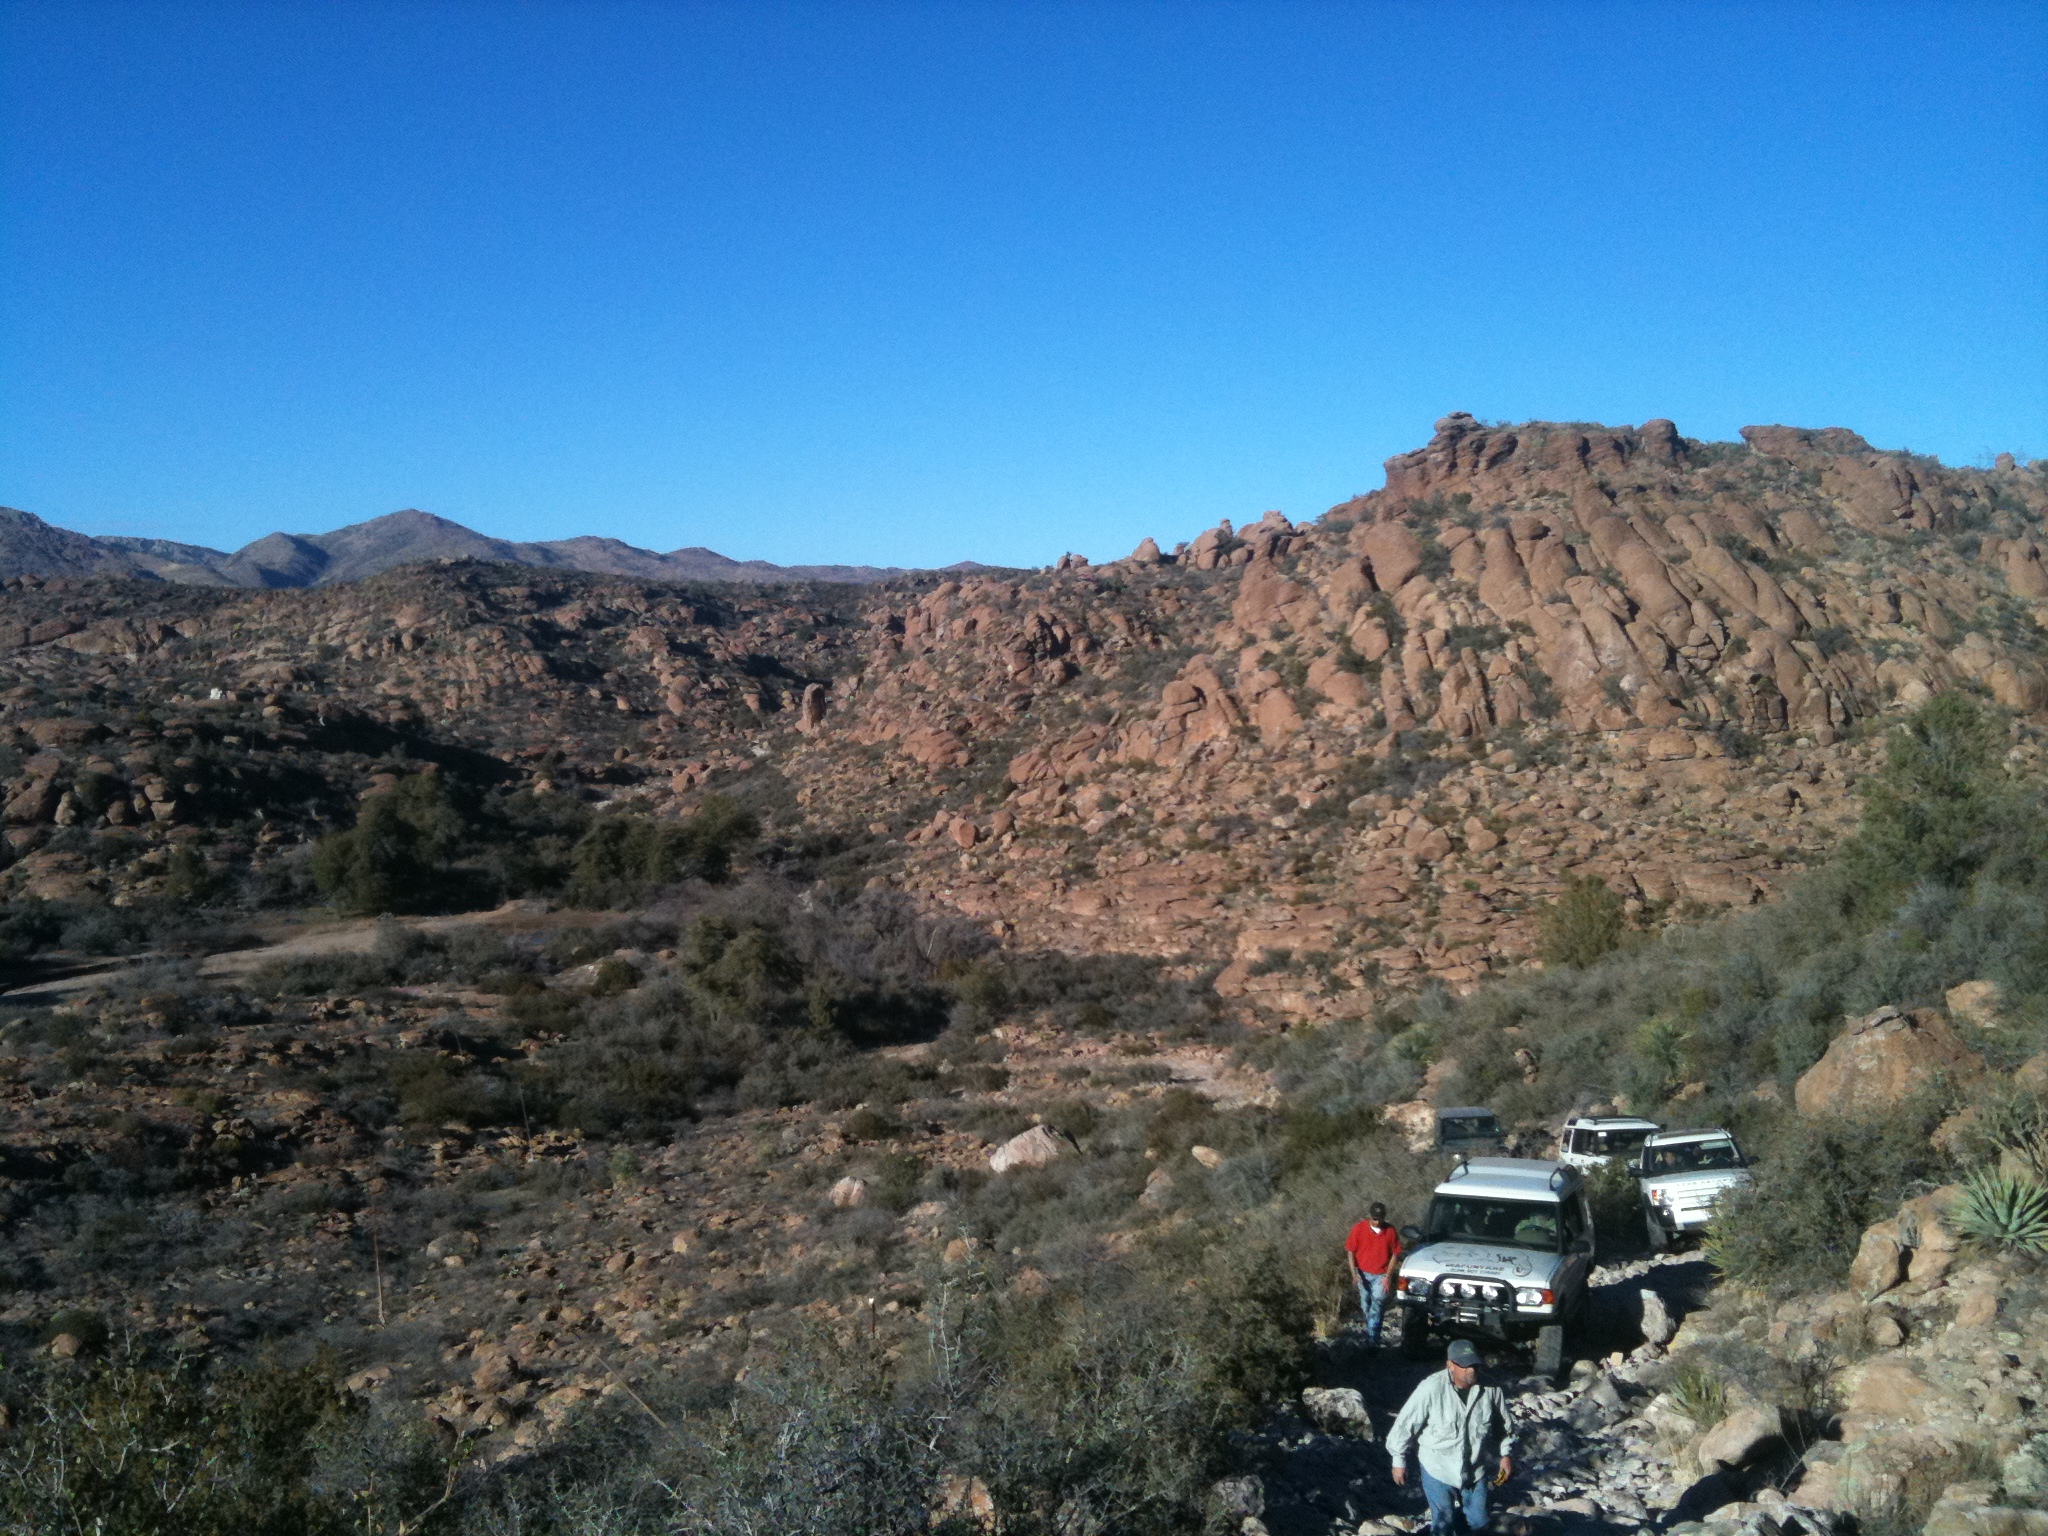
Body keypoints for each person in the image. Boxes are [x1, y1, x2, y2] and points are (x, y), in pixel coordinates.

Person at [1386, 1339, 1515, 1536]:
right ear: (1450, 1365)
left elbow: (1504, 1426)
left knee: (1479, 1521)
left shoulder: (1491, 1389)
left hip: (1474, 1469)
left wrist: (1506, 1455)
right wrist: (1398, 1460)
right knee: (1442, 1523)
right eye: (1465, 1365)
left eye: (1474, 1364)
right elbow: (1405, 1424)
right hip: (1437, 1466)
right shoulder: (1431, 1388)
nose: (1471, 1369)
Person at [1344, 1201, 1402, 1346]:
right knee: (1366, 1306)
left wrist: (1388, 1276)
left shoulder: (1390, 1231)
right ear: (1370, 1216)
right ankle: (1374, 1332)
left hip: (1381, 1275)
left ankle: (1372, 1339)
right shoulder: (1359, 1228)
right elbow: (1350, 1252)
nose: (1377, 1222)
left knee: (1377, 1303)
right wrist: (1354, 1273)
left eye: (1380, 1219)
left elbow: (1395, 1254)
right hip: (1362, 1274)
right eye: (1374, 1219)